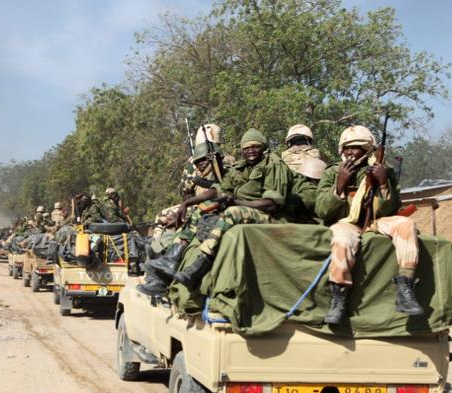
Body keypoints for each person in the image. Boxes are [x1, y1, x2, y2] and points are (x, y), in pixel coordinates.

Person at [315, 125, 423, 325]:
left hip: (377, 220)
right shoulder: (333, 172)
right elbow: (322, 211)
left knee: (406, 224)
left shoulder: (383, 170)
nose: (349, 152)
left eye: (355, 148)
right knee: (342, 239)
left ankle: (405, 290)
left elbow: (391, 208)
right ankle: (338, 300)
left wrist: (382, 183)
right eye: (346, 148)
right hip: (347, 222)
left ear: (367, 150)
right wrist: (339, 185)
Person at [172, 128, 292, 288]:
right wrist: (188, 203)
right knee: (204, 207)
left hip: (270, 216)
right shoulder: (242, 167)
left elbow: (272, 203)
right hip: (247, 210)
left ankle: (201, 264)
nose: (251, 151)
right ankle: (174, 255)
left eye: (255, 147)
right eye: (246, 148)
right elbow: (219, 189)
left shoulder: (273, 165)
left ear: (263, 147)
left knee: (232, 212)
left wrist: (237, 203)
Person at [138, 125, 228, 296]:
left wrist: (187, 205)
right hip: (201, 204)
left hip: (211, 206)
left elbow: (185, 191)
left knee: (166, 228)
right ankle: (159, 263)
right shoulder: (228, 159)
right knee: (171, 224)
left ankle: (158, 269)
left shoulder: (217, 163)